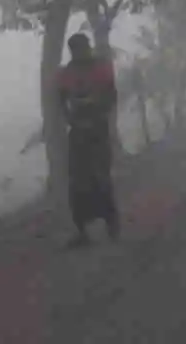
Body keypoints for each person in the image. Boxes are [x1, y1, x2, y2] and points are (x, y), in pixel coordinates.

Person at [56, 32, 121, 248]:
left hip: (98, 130)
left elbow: (111, 95)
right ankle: (82, 231)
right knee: (77, 182)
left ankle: (112, 224)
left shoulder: (100, 68)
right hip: (78, 132)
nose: (80, 53)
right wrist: (71, 118)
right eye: (76, 50)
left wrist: (98, 110)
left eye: (83, 49)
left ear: (88, 48)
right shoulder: (67, 72)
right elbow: (62, 100)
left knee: (101, 176)